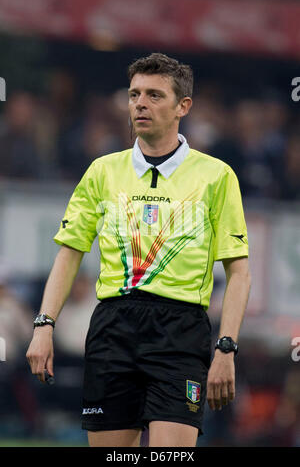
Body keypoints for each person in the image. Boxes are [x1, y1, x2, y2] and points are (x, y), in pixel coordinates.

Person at [26, 53, 251, 447]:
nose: (140, 104)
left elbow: (238, 272)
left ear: (184, 106)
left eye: (154, 95)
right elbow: (69, 252)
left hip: (181, 333)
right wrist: (44, 326)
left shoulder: (216, 176)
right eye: (134, 94)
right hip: (113, 328)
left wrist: (226, 348)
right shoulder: (102, 171)